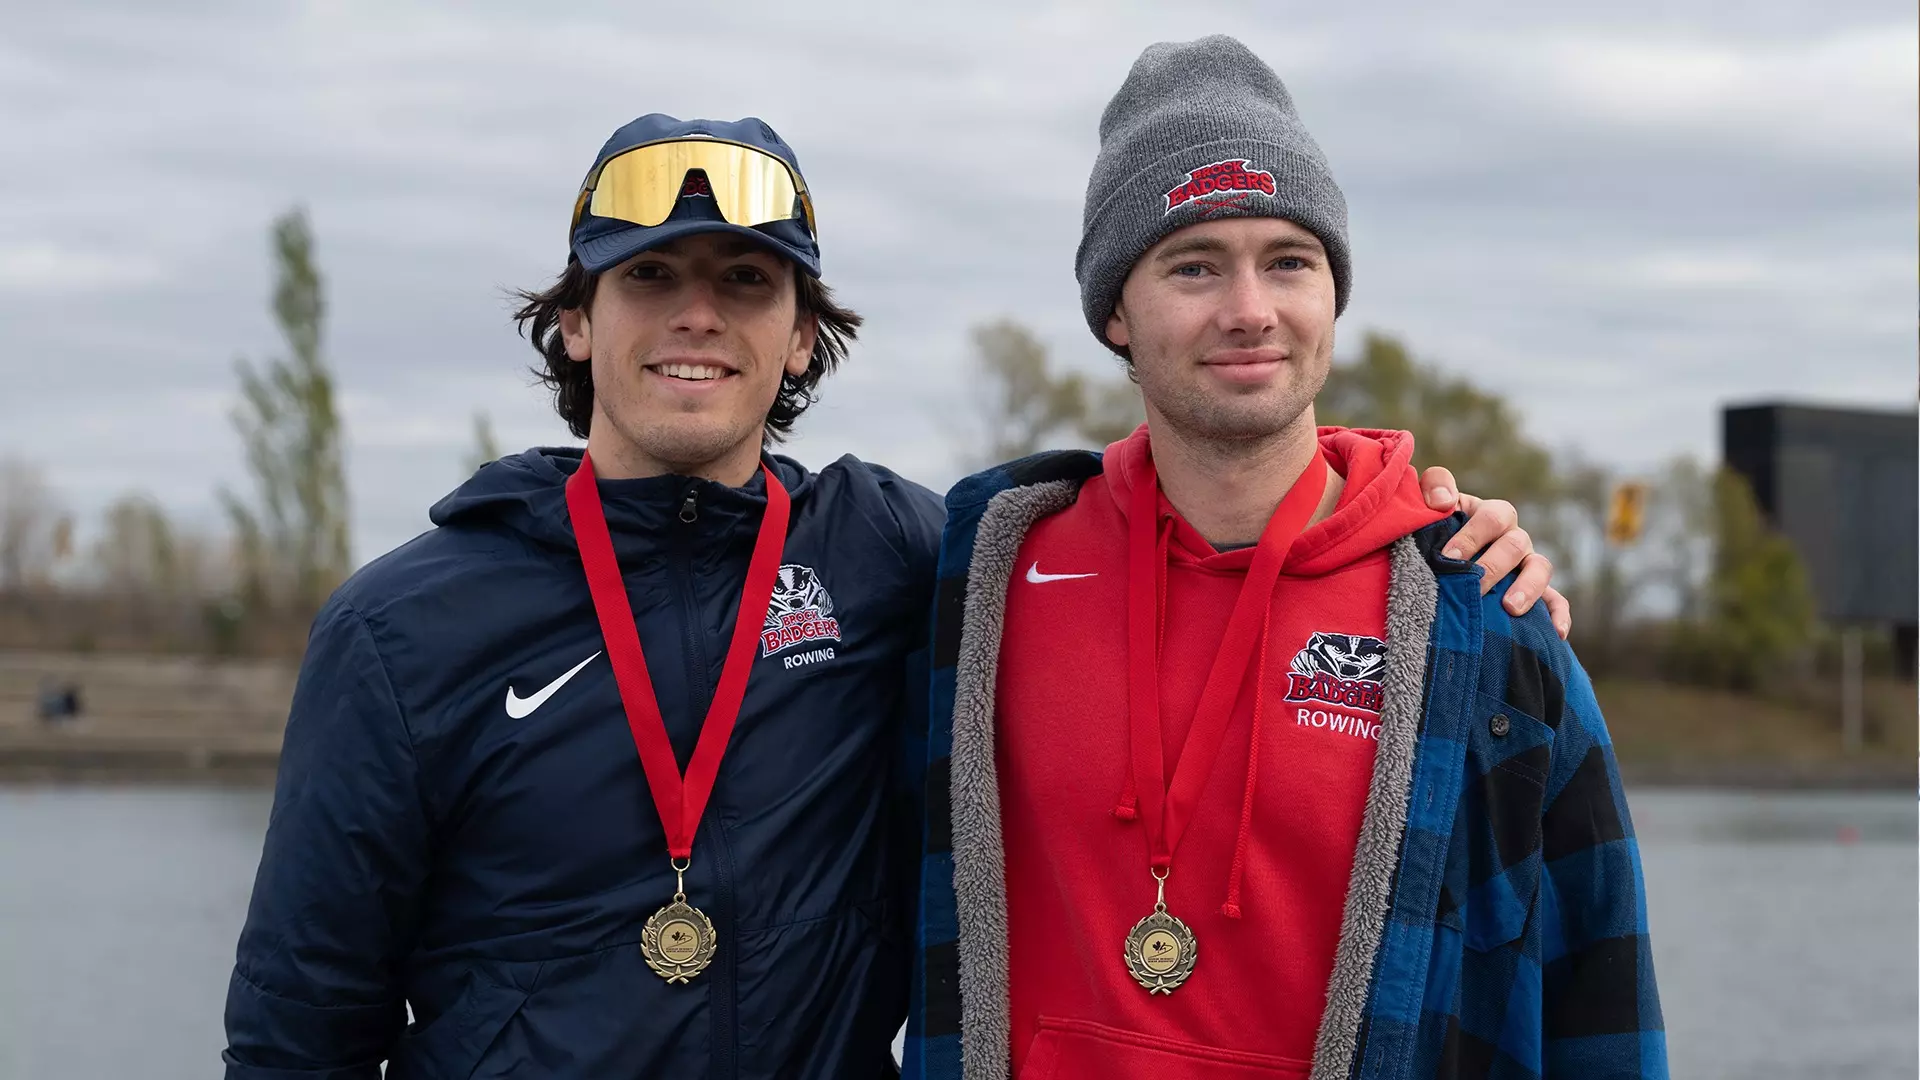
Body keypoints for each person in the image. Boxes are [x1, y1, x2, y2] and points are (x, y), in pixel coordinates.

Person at [222, 112, 1566, 1078]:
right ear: (575, 321)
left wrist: (1422, 526)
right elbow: (297, 1029)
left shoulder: (908, 557)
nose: (698, 315)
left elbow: (1189, 533)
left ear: (803, 334)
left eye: (746, 282)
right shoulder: (404, 627)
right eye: (650, 279)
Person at [905, 36, 1664, 1080]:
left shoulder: (1479, 612)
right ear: (1116, 313)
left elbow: (1599, 1000)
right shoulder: (986, 574)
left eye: (1289, 262)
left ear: (1333, 297)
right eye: (1195, 265)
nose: (1250, 310)